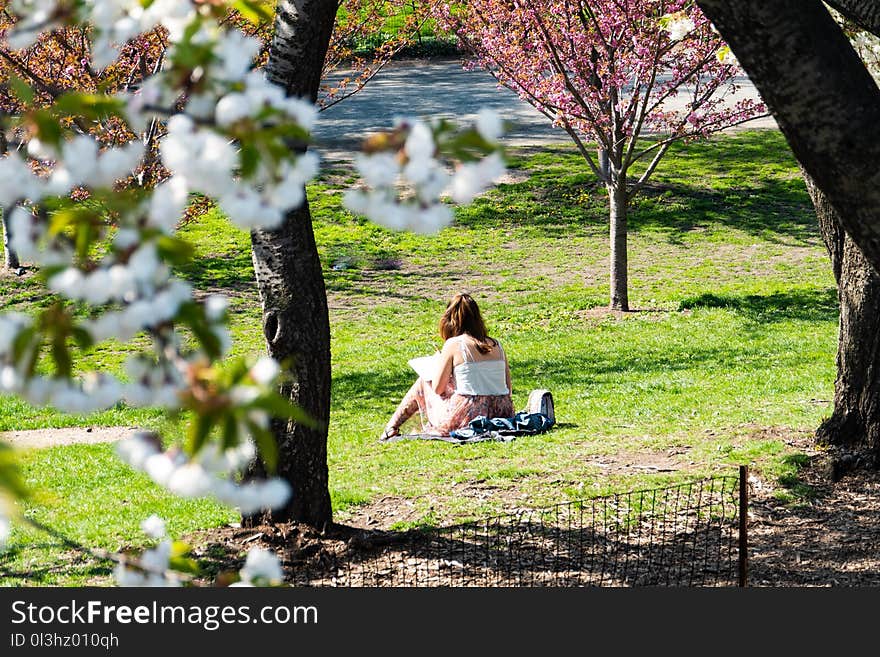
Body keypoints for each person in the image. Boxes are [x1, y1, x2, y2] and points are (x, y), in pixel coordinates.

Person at [381, 293, 514, 440]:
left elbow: (438, 388)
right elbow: (508, 388)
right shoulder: (497, 345)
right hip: (503, 413)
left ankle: (391, 427)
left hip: (467, 417)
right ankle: (391, 427)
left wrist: (440, 363)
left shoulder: (454, 344)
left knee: (423, 381)